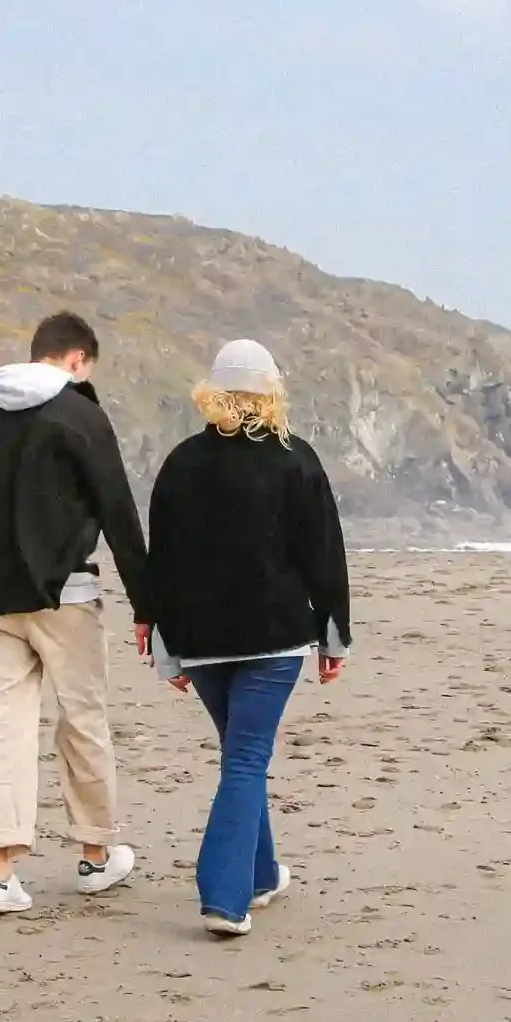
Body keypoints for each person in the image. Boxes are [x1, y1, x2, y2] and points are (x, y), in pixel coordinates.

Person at [0, 312, 153, 916]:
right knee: (82, 719)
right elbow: (118, 510)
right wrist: (149, 605)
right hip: (65, 595)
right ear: (77, 359)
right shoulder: (79, 414)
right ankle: (96, 855)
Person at [144, 340, 351, 937]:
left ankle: (260, 877)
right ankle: (224, 898)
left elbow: (164, 559)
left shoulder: (181, 462)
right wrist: (333, 636)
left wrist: (167, 645)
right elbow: (324, 554)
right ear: (270, 393)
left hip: (202, 641)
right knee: (245, 760)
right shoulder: (294, 459)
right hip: (274, 636)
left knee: (241, 755)